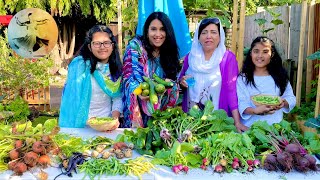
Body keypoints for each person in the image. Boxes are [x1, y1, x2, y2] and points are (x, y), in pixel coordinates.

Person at [178, 17, 248, 133]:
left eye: (213, 32)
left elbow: (232, 91)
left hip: (217, 121)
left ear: (220, 37)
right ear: (198, 37)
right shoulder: (190, 57)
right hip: (191, 121)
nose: (208, 36)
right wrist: (182, 82)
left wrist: (237, 122)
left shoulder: (227, 58)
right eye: (204, 32)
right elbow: (181, 81)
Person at [122, 12, 180, 128]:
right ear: (147, 31)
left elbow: (173, 78)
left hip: (161, 116)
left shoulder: (169, 51)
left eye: (162, 29)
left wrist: (172, 84)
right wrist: (138, 92)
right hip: (138, 111)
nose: (158, 34)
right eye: (153, 29)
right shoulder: (135, 48)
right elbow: (128, 76)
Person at [59, 25, 123, 128]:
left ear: (112, 45)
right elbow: (70, 99)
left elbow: (117, 98)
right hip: (80, 126)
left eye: (106, 43)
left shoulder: (116, 70)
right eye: (97, 43)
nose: (102, 47)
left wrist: (114, 119)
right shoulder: (80, 66)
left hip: (106, 126)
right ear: (90, 46)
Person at [236, 36, 296, 127]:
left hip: (275, 127)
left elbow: (290, 97)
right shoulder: (243, 78)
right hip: (250, 128)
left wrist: (284, 103)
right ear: (251, 54)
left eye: (265, 52)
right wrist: (255, 111)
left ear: (272, 54)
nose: (260, 56)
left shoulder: (280, 76)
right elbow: (241, 102)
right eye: (256, 51)